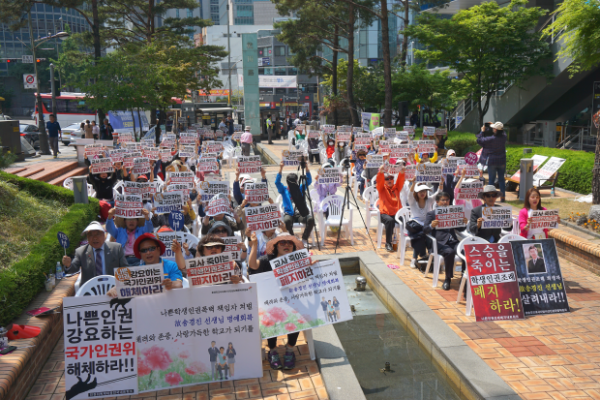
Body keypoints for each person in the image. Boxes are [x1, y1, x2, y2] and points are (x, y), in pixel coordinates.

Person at [248, 233, 306, 370]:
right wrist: (254, 244)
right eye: (282, 243)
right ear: (275, 247)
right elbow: (252, 265)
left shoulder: (298, 262)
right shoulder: (267, 260)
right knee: (269, 315)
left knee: (297, 315)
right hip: (271, 304)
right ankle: (272, 350)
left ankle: (290, 349)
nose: (286, 245)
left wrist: (313, 267)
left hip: (291, 302)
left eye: (289, 243)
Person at [423, 192, 468, 290]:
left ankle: (463, 277)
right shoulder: (432, 214)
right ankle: (448, 278)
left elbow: (460, 229)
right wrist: (432, 226)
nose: (445, 202)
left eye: (447, 200)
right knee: (449, 252)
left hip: (453, 241)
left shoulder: (453, 212)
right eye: (443, 200)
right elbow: (425, 230)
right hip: (439, 243)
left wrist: (464, 223)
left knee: (465, 252)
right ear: (437, 202)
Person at [62, 221, 128, 286]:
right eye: (91, 235)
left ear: (104, 235)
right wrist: (68, 265)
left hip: (112, 290)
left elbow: (125, 270)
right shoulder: (81, 252)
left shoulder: (116, 249)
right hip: (90, 292)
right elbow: (73, 269)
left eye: (97, 234)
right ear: (87, 237)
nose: (94, 238)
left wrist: (118, 287)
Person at [275, 160, 315, 248]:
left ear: (297, 181)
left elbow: (309, 181)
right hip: (289, 213)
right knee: (287, 221)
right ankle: (293, 240)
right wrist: (280, 168)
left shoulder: (300, 188)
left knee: (311, 219)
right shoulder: (284, 190)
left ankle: (304, 240)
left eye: (294, 181)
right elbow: (277, 182)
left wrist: (306, 168)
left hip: (300, 214)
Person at [407, 179, 441, 269]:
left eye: (424, 191)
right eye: (420, 191)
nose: (422, 193)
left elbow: (438, 193)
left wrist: (441, 183)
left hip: (427, 225)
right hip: (415, 226)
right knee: (419, 236)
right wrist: (414, 183)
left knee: (429, 235)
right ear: (417, 192)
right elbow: (410, 194)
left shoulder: (429, 200)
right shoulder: (412, 201)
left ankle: (430, 258)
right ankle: (415, 258)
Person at [375, 161, 406, 252]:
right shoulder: (382, 188)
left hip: (396, 213)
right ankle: (388, 243)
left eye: (391, 178)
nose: (389, 180)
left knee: (407, 221)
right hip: (385, 214)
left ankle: (406, 241)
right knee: (390, 221)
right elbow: (379, 181)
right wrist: (381, 172)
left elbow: (400, 180)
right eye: (387, 179)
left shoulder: (396, 188)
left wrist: (402, 172)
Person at [477, 122, 507, 201]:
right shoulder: (504, 137)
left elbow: (480, 140)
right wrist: (496, 125)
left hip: (492, 161)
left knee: (491, 180)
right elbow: (503, 132)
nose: (493, 129)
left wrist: (482, 131)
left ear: (495, 130)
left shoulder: (491, 139)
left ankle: (490, 197)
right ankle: (503, 197)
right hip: (502, 161)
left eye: (494, 128)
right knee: (501, 179)